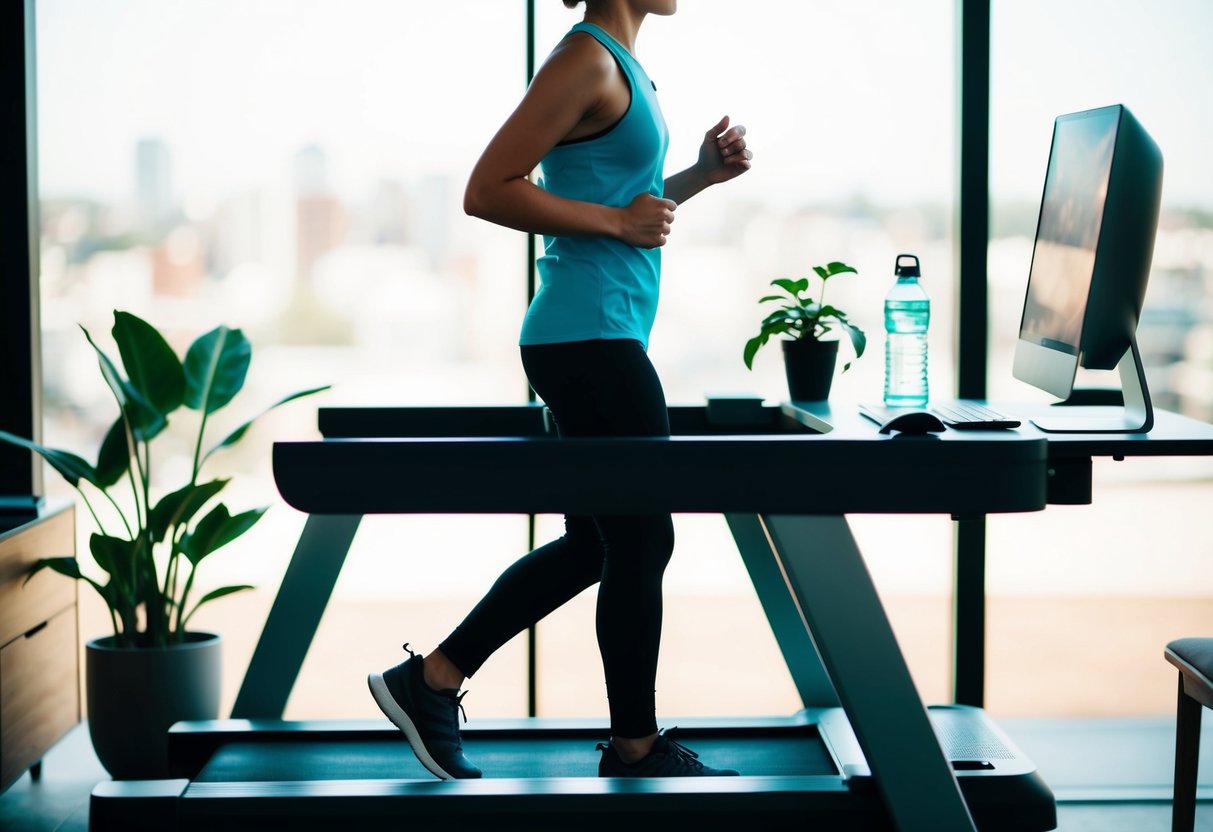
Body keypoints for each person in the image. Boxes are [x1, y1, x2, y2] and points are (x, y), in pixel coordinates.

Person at [368, 0, 753, 780]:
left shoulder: (622, 63)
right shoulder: (587, 59)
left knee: (596, 542)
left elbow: (623, 200)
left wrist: (698, 179)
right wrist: (615, 226)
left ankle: (432, 678)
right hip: (589, 340)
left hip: (594, 334)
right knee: (644, 538)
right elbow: (487, 189)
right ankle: (634, 747)